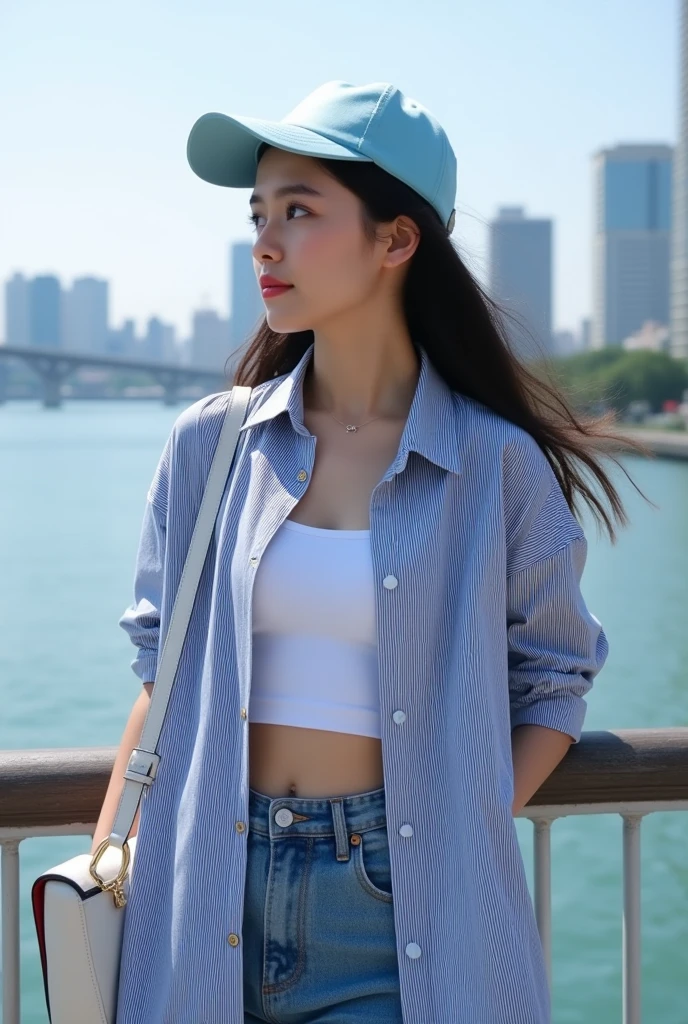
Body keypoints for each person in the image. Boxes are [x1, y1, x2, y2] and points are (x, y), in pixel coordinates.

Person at [92, 81, 646, 1024]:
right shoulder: (210, 444)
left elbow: (554, 680)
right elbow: (162, 668)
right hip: (202, 894)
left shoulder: (495, 464)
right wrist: (104, 867)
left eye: (300, 211)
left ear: (397, 240)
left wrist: (453, 831)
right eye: (259, 213)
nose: (265, 242)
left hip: (396, 912)